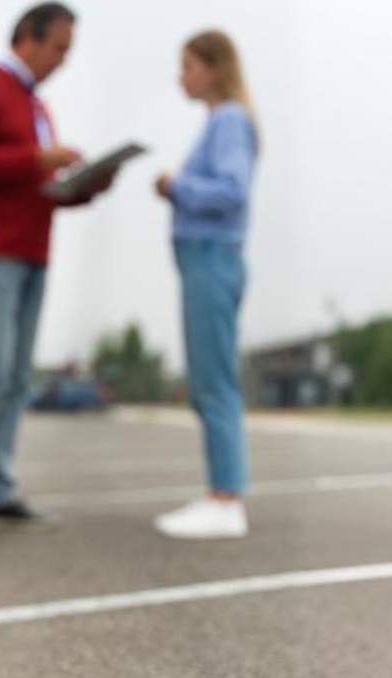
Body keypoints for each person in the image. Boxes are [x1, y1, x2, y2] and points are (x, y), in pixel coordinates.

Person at [0, 2, 112, 533]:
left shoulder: (38, 107)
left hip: (33, 251)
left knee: (17, 378)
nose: (63, 61)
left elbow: (34, 187)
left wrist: (85, 186)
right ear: (28, 39)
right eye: (59, 48)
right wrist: (37, 160)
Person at [153, 29, 260, 540]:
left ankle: (226, 499)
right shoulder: (221, 123)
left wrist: (178, 187)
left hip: (212, 259)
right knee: (208, 381)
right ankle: (221, 491)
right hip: (204, 260)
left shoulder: (230, 121)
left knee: (214, 383)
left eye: (189, 65)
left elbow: (232, 191)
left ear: (216, 68)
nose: (182, 77)